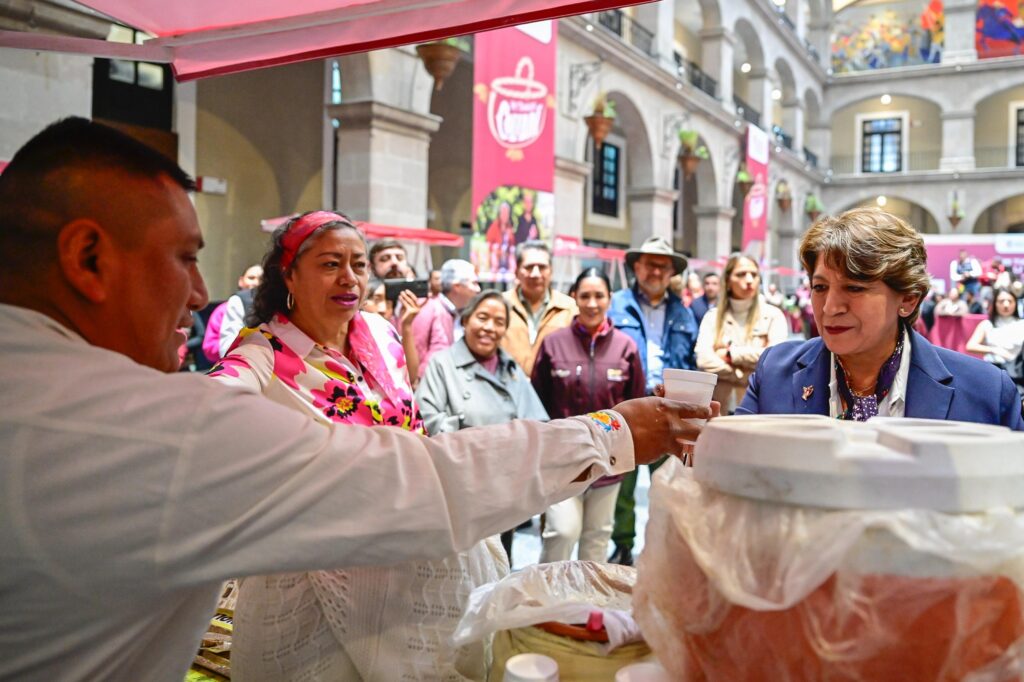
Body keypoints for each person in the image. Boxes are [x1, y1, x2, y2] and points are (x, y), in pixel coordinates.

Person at [0, 118, 715, 681]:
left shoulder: (374, 333)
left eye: (358, 265)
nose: (197, 291)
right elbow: (410, 479)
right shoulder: (184, 405)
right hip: (329, 578)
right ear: (88, 258)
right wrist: (613, 433)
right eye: (186, 257)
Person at [210, 211, 498, 681]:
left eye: (359, 264)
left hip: (406, 553)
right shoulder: (263, 353)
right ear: (290, 275)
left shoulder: (382, 334)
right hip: (315, 568)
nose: (349, 278)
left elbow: (410, 422)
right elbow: (214, 399)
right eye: (329, 264)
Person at [738, 207, 1022, 430]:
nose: (829, 308)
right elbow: (734, 470)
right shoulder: (775, 372)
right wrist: (706, 443)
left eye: (854, 287)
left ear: (908, 299)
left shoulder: (986, 393)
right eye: (820, 287)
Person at [416, 290, 549, 563]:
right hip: (459, 490)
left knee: (500, 564)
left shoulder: (511, 368)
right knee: (461, 570)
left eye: (499, 321)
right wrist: (484, 434)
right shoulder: (442, 364)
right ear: (466, 320)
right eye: (483, 317)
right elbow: (428, 422)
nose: (490, 327)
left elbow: (538, 423)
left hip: (506, 489)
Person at [532, 269, 646, 563]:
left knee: (597, 538)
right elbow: (538, 400)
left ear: (609, 299)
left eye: (599, 296)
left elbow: (635, 405)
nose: (592, 303)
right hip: (563, 461)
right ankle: (546, 604)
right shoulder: (553, 344)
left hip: (609, 462)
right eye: (585, 296)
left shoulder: (626, 347)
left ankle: (587, 607)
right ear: (574, 298)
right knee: (562, 532)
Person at [608, 235, 699, 566]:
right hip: (627, 405)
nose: (657, 272)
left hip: (671, 408)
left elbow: (691, 360)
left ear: (671, 272)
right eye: (650, 264)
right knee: (623, 483)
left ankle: (661, 549)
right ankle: (622, 545)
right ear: (636, 267)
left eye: (664, 266)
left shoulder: (684, 313)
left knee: (669, 485)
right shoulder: (615, 304)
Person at [696, 254, 788, 413]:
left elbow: (775, 357)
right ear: (728, 281)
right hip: (719, 410)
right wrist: (743, 374)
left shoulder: (773, 315)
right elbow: (703, 359)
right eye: (741, 274)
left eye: (754, 274)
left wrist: (731, 354)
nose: (749, 280)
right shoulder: (713, 317)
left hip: (758, 409)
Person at [502, 240, 577, 376]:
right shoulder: (501, 305)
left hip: (551, 393)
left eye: (542, 267)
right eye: (529, 267)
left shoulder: (569, 308)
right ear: (517, 271)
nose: (535, 274)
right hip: (506, 390)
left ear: (551, 271)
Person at [411, 258, 480, 377]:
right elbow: (415, 353)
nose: (478, 289)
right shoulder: (428, 308)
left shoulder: (462, 314)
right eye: (473, 283)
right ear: (457, 286)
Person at [203, 264, 263, 362]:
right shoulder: (222, 310)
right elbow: (209, 347)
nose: (256, 282)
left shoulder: (269, 309)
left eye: (261, 279)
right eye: (251, 278)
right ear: (241, 281)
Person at [966, 288, 1024, 368]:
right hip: (993, 368)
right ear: (995, 303)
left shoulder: (1021, 324)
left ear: (1015, 303)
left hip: (1017, 371)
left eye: (1010, 301)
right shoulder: (987, 324)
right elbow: (970, 346)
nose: (1006, 305)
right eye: (1001, 301)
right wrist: (994, 350)